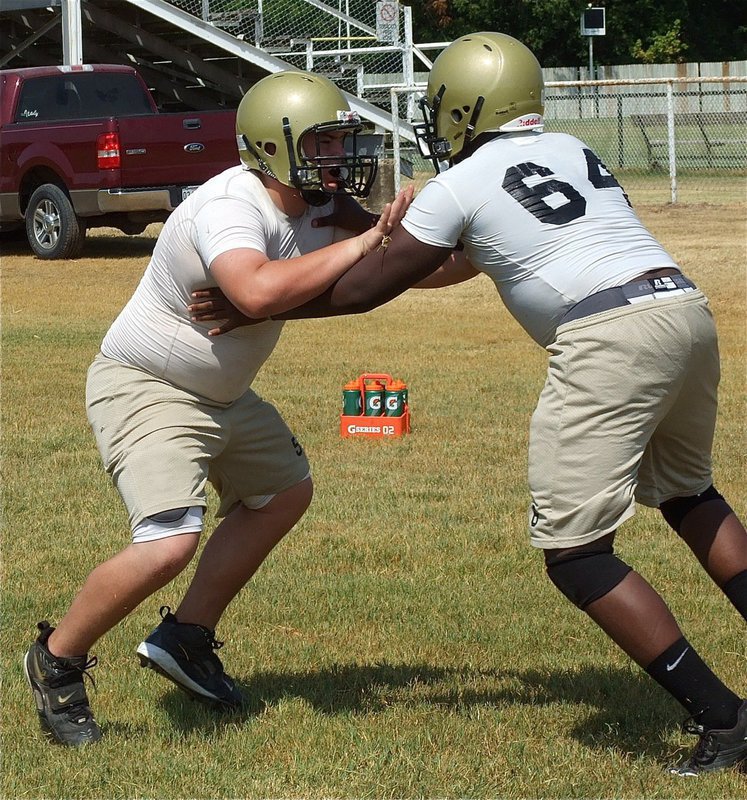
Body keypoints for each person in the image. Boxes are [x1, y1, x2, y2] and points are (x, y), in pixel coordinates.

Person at [192, 33, 747, 776]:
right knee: (688, 495)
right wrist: (369, 227)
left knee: (576, 554)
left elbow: (372, 288)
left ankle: (725, 721)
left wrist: (260, 308)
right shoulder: (572, 149)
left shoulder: (461, 181)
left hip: (606, 335)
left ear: (464, 105)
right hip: (680, 309)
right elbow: (453, 260)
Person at [23, 69, 411, 747]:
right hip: (148, 385)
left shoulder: (315, 202)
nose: (338, 159)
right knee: (167, 543)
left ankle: (185, 637)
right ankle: (55, 659)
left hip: (222, 395)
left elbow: (423, 266)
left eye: (339, 142)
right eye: (322, 144)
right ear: (275, 147)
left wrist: (472, 228)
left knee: (284, 493)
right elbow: (254, 292)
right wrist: (361, 242)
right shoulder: (228, 205)